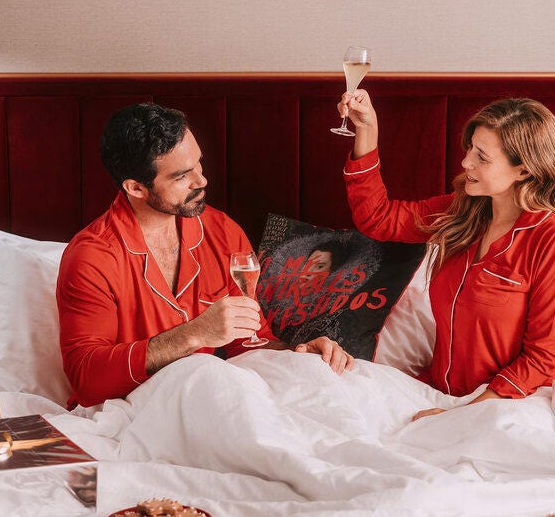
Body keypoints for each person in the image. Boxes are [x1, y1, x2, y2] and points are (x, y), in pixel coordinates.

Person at [57, 102, 354, 408]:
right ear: (136, 188)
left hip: (205, 401)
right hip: (128, 410)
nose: (202, 181)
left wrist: (300, 355)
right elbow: (86, 378)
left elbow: (248, 342)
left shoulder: (222, 231)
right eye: (182, 176)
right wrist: (193, 335)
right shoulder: (92, 256)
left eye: (198, 164)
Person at [338, 90, 555, 422]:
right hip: (439, 393)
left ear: (523, 170)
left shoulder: (554, 241)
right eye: (470, 148)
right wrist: (367, 130)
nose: (466, 161)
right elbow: (378, 218)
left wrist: (461, 415)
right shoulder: (464, 211)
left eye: (482, 157)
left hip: (509, 401)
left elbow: (541, 357)